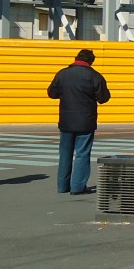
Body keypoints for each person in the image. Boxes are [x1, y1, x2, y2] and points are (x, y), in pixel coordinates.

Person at [47, 48, 111, 195]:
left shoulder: (62, 74)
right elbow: (104, 98)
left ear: (76, 58)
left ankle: (62, 186)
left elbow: (51, 93)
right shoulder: (94, 76)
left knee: (65, 153)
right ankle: (77, 187)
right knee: (82, 153)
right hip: (85, 121)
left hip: (66, 121)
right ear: (91, 61)